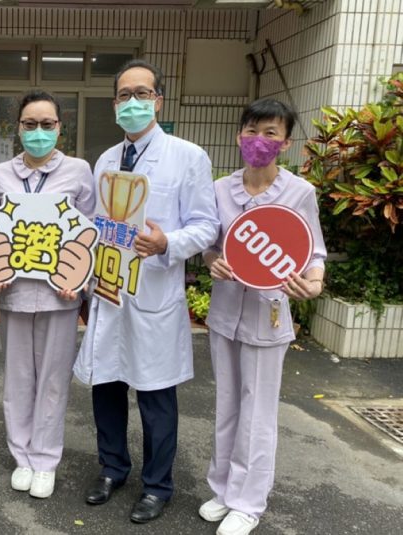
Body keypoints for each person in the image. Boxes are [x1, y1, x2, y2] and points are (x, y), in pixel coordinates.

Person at [73, 59, 220, 523]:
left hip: (154, 292)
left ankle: (158, 485)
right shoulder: (105, 160)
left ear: (158, 100)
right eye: (124, 95)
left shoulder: (188, 156)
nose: (132, 102)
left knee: (156, 395)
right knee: (107, 385)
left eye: (142, 93)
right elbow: (97, 224)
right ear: (114, 104)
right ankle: (112, 468)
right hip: (110, 289)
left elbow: (206, 226)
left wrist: (166, 243)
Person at [198, 99, 326, 535]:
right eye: (252, 130)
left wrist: (313, 284)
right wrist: (213, 261)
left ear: (285, 143)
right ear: (239, 136)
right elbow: (210, 245)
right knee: (227, 404)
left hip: (267, 314)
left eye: (271, 133)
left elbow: (314, 253)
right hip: (224, 313)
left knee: (258, 412)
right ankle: (222, 490)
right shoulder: (220, 189)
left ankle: (249, 503)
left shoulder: (299, 193)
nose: (259, 140)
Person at [0, 91, 96, 498]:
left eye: (47, 124)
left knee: (52, 380)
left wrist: (81, 278)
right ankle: (22, 455)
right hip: (14, 293)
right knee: (17, 378)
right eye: (30, 124)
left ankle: (45, 459)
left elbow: (90, 230)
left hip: (60, 295)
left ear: (60, 128)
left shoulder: (80, 171)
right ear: (17, 128)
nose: (38, 132)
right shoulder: (1, 174)